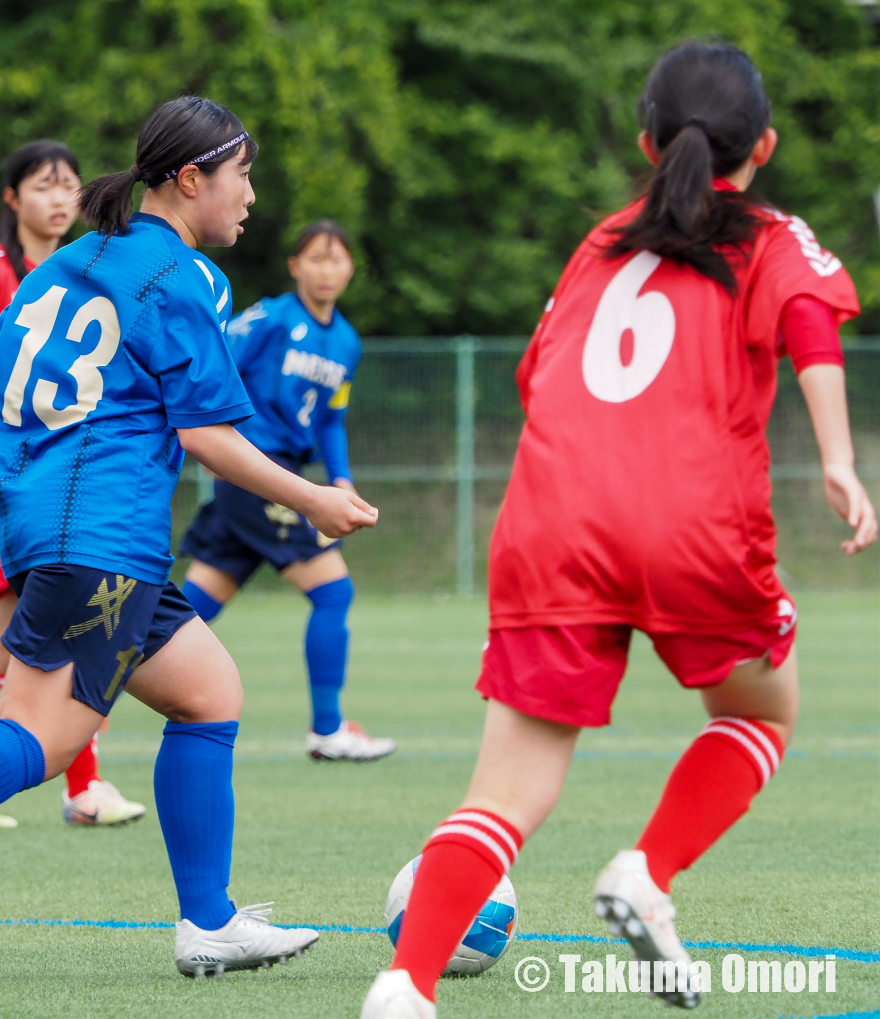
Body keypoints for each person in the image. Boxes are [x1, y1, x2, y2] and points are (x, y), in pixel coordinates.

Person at [0, 95, 378, 977]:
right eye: (242, 175)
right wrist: (315, 499)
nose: (251, 195)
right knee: (46, 739)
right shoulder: (185, 277)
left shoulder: (68, 263)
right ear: (191, 179)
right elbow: (209, 435)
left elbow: (5, 366)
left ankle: (209, 922)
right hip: (100, 533)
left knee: (208, 691)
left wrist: (34, 484)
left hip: (76, 526)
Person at [363, 40, 874, 1018]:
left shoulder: (599, 242)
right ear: (760, 145)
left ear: (647, 141)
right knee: (758, 713)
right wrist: (840, 462)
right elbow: (812, 323)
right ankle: (647, 870)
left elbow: (535, 378)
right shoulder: (768, 236)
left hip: (551, 521)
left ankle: (403, 985)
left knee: (504, 791)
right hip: (692, 521)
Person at [0, 140, 145, 829]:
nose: (59, 198)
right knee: (43, 633)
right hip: (0, 489)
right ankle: (77, 786)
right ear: (12, 198)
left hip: (57, 485)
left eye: (70, 186)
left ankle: (46, 786)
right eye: (44, 185)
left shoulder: (84, 274)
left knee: (15, 640)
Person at [179, 220, 394, 762]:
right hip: (257, 471)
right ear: (295, 265)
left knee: (188, 609)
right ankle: (327, 731)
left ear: (350, 268)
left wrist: (340, 475)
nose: (326, 269)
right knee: (333, 592)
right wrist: (221, 443)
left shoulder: (346, 341)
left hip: (284, 471)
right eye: (315, 258)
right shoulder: (273, 318)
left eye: (336, 259)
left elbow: (331, 421)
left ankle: (88, 690)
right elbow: (215, 359)